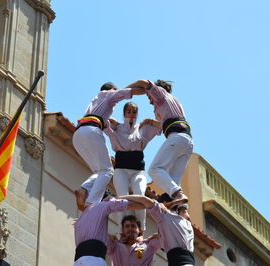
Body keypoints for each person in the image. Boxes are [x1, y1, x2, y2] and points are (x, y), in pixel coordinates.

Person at [72, 82, 146, 210]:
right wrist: (149, 89)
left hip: (78, 134)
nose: (116, 103)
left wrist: (113, 124)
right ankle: (92, 203)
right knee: (107, 170)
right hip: (92, 130)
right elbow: (132, 91)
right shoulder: (109, 95)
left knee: (99, 171)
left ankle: (84, 190)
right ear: (111, 90)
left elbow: (106, 125)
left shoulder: (95, 102)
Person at [126, 79, 193, 207]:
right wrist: (150, 121)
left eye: (149, 97)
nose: (150, 101)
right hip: (187, 141)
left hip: (177, 137)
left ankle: (178, 195)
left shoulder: (161, 94)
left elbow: (144, 82)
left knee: (154, 169)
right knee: (173, 181)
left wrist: (123, 91)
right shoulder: (174, 102)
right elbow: (163, 125)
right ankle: (180, 208)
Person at [104, 102, 161, 232]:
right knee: (122, 197)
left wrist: (150, 121)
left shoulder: (143, 128)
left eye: (134, 111)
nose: (131, 114)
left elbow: (162, 126)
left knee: (140, 195)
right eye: (129, 111)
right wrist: (113, 123)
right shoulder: (116, 127)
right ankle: (122, 230)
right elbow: (102, 120)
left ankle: (141, 230)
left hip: (138, 170)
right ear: (124, 113)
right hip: (121, 169)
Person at [122, 194, 195, 266]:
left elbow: (144, 200)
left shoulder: (165, 216)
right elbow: (160, 240)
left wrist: (116, 199)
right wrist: (149, 239)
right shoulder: (188, 225)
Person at [73, 196, 146, 266]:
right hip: (92, 259)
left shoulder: (83, 218)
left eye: (133, 226)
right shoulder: (104, 206)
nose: (130, 229)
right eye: (127, 226)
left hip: (78, 261)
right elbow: (132, 205)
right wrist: (148, 205)